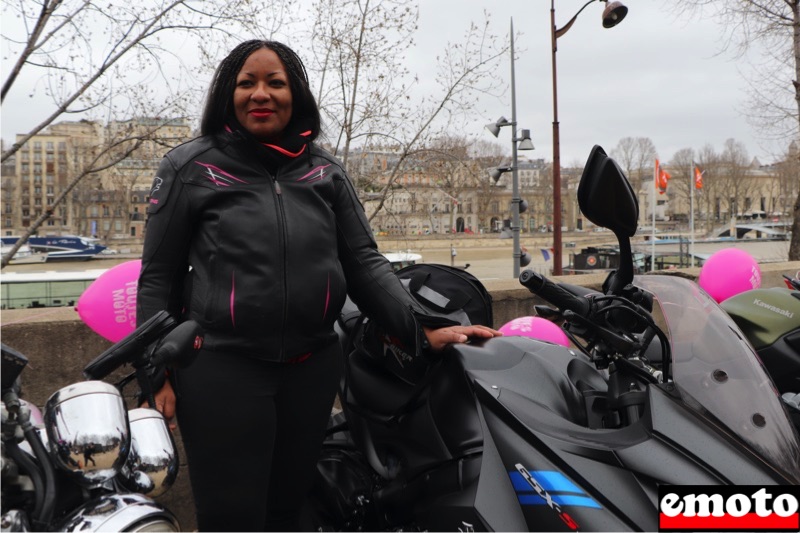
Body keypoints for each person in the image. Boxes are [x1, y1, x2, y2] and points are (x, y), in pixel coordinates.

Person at [136, 39, 500, 532]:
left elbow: (365, 264)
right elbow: (158, 277)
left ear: (296, 95)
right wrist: (153, 372)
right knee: (232, 519)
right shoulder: (190, 168)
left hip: (310, 371)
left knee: (289, 513)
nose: (260, 94)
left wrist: (422, 328)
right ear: (228, 94)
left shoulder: (325, 171)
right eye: (247, 83)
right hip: (221, 369)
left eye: (275, 83)